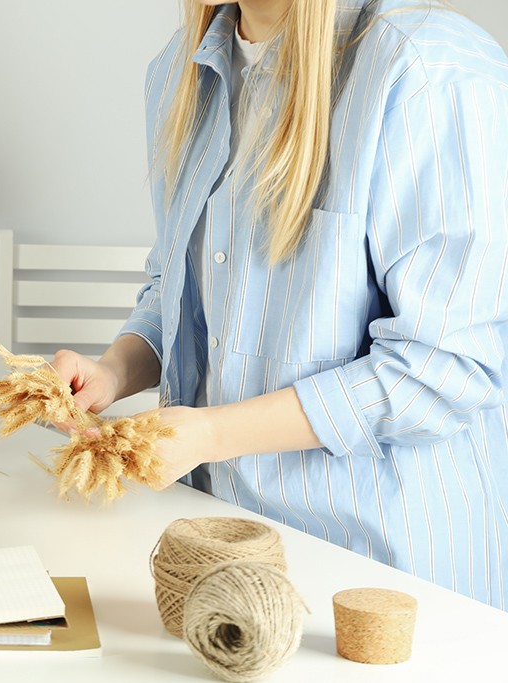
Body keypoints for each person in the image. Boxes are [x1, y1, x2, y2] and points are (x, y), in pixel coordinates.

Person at [52, 0, 508, 609]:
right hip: (220, 551)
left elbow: (447, 367)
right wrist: (116, 369)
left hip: (383, 575)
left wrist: (213, 433)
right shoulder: (177, 74)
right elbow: (180, 285)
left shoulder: (426, 67)